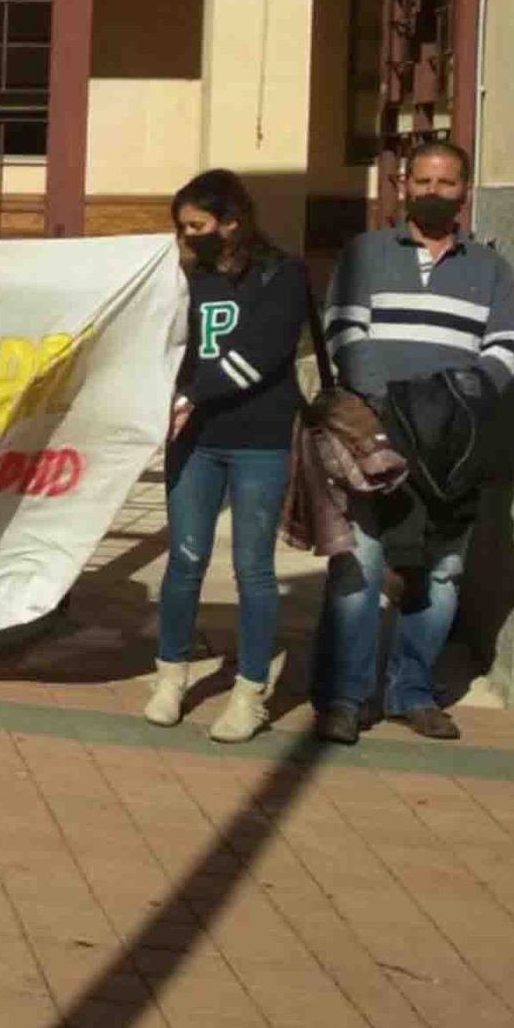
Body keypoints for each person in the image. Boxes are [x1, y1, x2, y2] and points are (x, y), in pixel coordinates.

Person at [315, 140, 514, 743]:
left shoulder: (489, 268)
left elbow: (506, 345)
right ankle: (345, 698)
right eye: (423, 182)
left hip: (455, 446)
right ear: (404, 186)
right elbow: (343, 328)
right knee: (361, 564)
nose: (433, 193)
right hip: (375, 436)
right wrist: (391, 404)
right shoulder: (366, 252)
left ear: (465, 190)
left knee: (443, 569)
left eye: (447, 183)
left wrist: (458, 398)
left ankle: (411, 691)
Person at [147, 170, 309, 743]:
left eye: (199, 225)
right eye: (182, 227)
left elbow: (263, 354)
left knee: (252, 570)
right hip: (194, 440)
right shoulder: (185, 276)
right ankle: (170, 677)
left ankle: (249, 691)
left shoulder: (281, 274)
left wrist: (193, 395)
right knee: (184, 561)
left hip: (258, 439)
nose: (189, 236)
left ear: (232, 222)